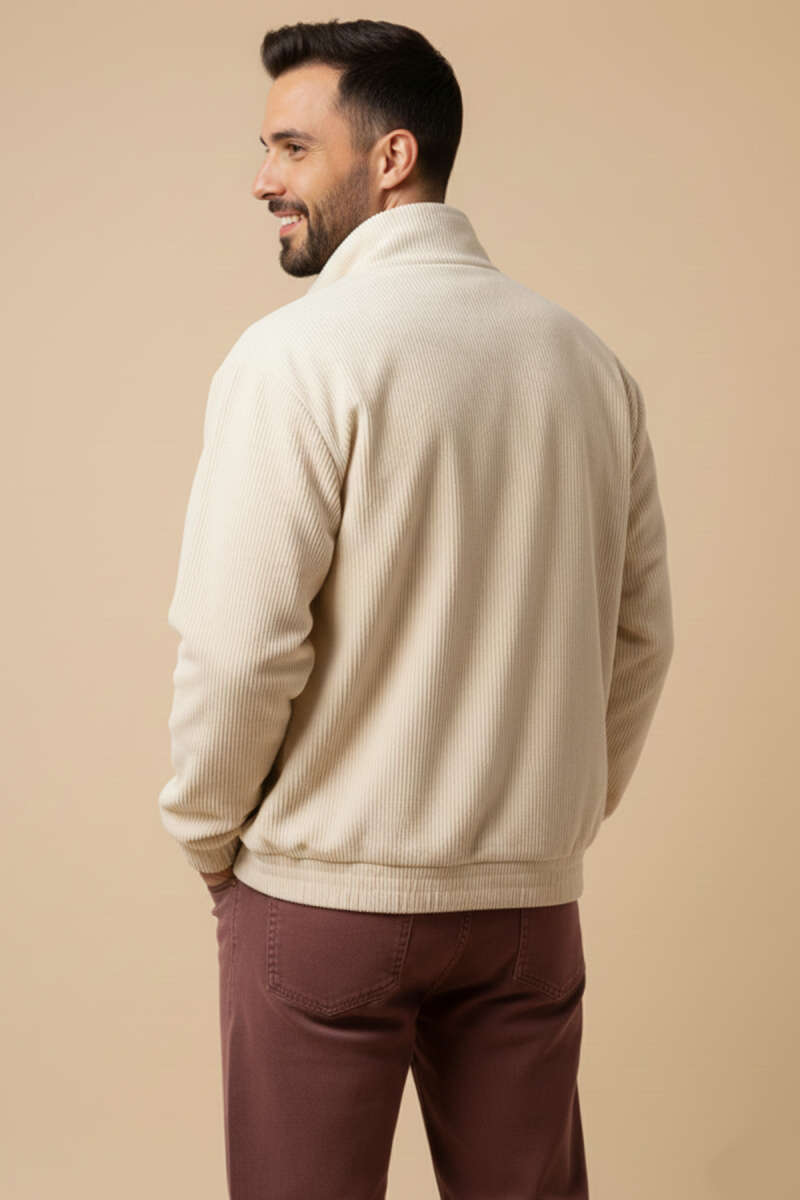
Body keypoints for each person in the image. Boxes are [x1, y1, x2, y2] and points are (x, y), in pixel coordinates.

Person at [158, 18, 674, 1200]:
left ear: (391, 156)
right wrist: (546, 818)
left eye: (292, 148)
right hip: (527, 904)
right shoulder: (586, 364)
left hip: (325, 896)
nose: (262, 179)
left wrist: (207, 836)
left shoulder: (295, 358)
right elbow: (640, 635)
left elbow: (239, 649)